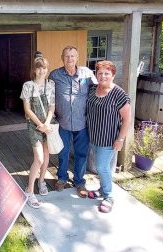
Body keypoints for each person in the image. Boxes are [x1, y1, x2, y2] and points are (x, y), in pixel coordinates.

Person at [49, 46, 97, 198]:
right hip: (62, 122)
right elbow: (48, 95)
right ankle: (62, 178)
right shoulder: (55, 75)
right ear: (62, 57)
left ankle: (79, 182)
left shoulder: (87, 74)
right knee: (63, 152)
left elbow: (99, 89)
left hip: (82, 122)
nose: (70, 59)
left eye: (73, 56)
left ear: (77, 57)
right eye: (67, 56)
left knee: (81, 154)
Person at [86, 60, 131, 213]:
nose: (103, 76)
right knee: (100, 167)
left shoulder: (119, 94)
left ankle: (109, 196)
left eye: (107, 73)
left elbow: (127, 119)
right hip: (93, 137)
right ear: (96, 75)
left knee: (102, 167)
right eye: (100, 73)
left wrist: (120, 139)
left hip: (108, 139)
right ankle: (102, 190)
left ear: (113, 75)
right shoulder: (92, 89)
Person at [20, 56, 56, 208]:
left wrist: (47, 123)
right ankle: (29, 190)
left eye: (45, 68)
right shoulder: (28, 85)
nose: (42, 71)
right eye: (39, 67)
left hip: (48, 124)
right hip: (34, 125)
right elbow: (27, 109)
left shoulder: (51, 84)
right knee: (39, 158)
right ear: (34, 70)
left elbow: (52, 106)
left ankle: (41, 181)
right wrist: (40, 124)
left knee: (46, 156)